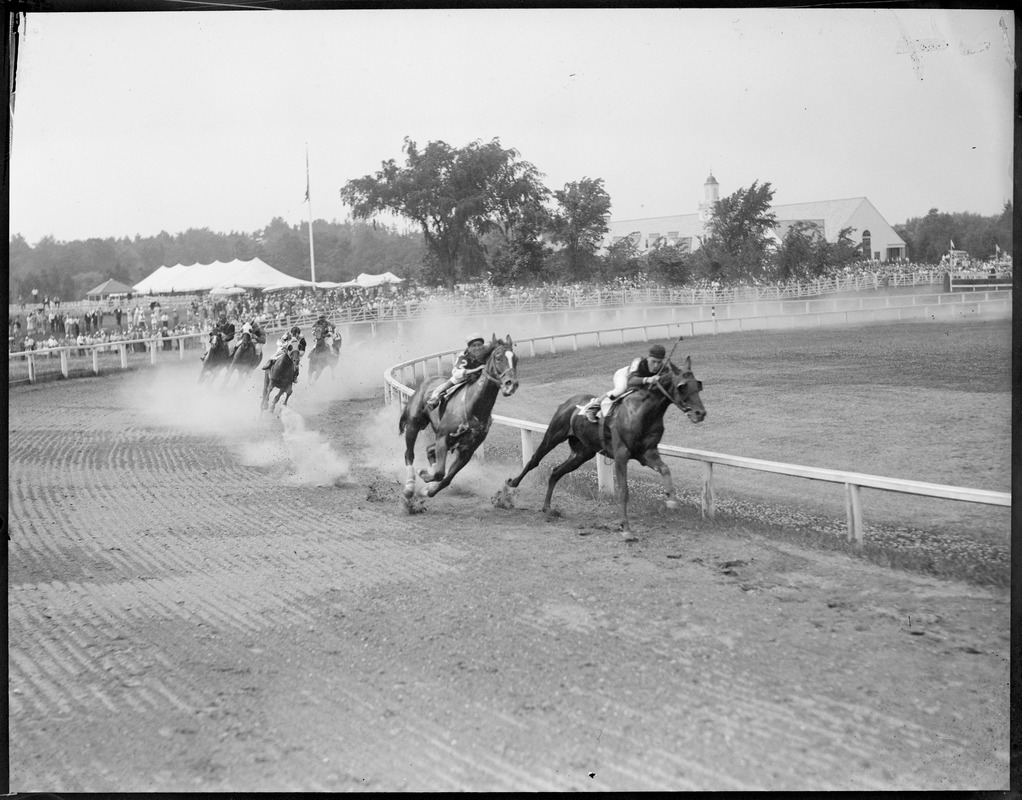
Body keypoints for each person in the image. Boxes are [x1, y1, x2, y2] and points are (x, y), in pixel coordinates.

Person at [582, 343, 667, 423]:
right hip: (624, 376)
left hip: (638, 382)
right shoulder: (638, 361)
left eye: (659, 362)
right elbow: (631, 380)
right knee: (621, 389)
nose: (656, 365)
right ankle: (594, 406)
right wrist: (647, 379)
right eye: (653, 361)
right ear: (648, 358)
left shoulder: (664, 368)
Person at [426, 333, 489, 409]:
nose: (477, 348)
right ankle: (437, 397)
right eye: (474, 346)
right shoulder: (464, 357)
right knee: (455, 379)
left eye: (479, 345)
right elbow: (456, 373)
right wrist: (475, 370)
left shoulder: (487, 351)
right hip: (465, 376)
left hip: (482, 375)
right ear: (469, 348)